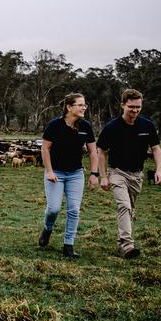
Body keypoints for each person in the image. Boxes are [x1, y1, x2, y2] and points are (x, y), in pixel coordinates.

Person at [97, 89, 161, 259]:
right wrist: (103, 176)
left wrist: (159, 170)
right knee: (124, 206)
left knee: (130, 208)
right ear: (123, 105)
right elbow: (101, 151)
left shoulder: (147, 126)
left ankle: (122, 241)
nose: (135, 110)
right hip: (117, 172)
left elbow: (156, 149)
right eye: (131, 107)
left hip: (137, 175)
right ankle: (127, 245)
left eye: (138, 107)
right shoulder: (112, 127)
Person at [38, 93, 98, 258]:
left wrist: (94, 173)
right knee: (54, 208)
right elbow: (45, 149)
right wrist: (49, 171)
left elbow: (93, 151)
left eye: (84, 105)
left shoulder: (85, 126)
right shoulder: (54, 125)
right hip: (55, 173)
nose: (83, 108)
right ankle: (47, 229)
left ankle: (68, 245)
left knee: (74, 210)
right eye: (80, 105)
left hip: (76, 174)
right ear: (69, 107)